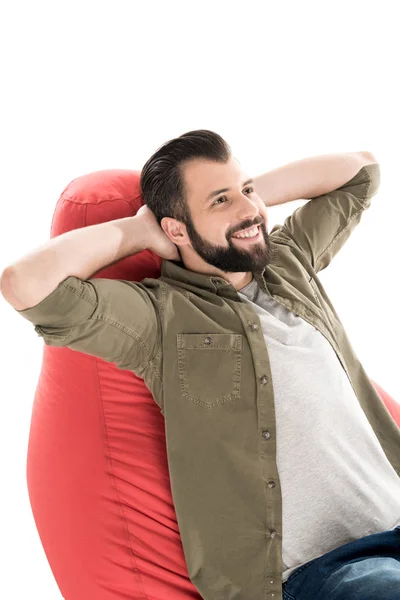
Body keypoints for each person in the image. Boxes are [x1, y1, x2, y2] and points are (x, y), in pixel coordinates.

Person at [1, 129, 399, 600]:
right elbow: (26, 286)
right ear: (174, 229)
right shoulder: (159, 317)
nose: (248, 210)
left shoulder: (289, 263)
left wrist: (242, 202)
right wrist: (139, 230)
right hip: (327, 571)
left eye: (245, 191)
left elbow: (361, 171)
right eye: (219, 202)